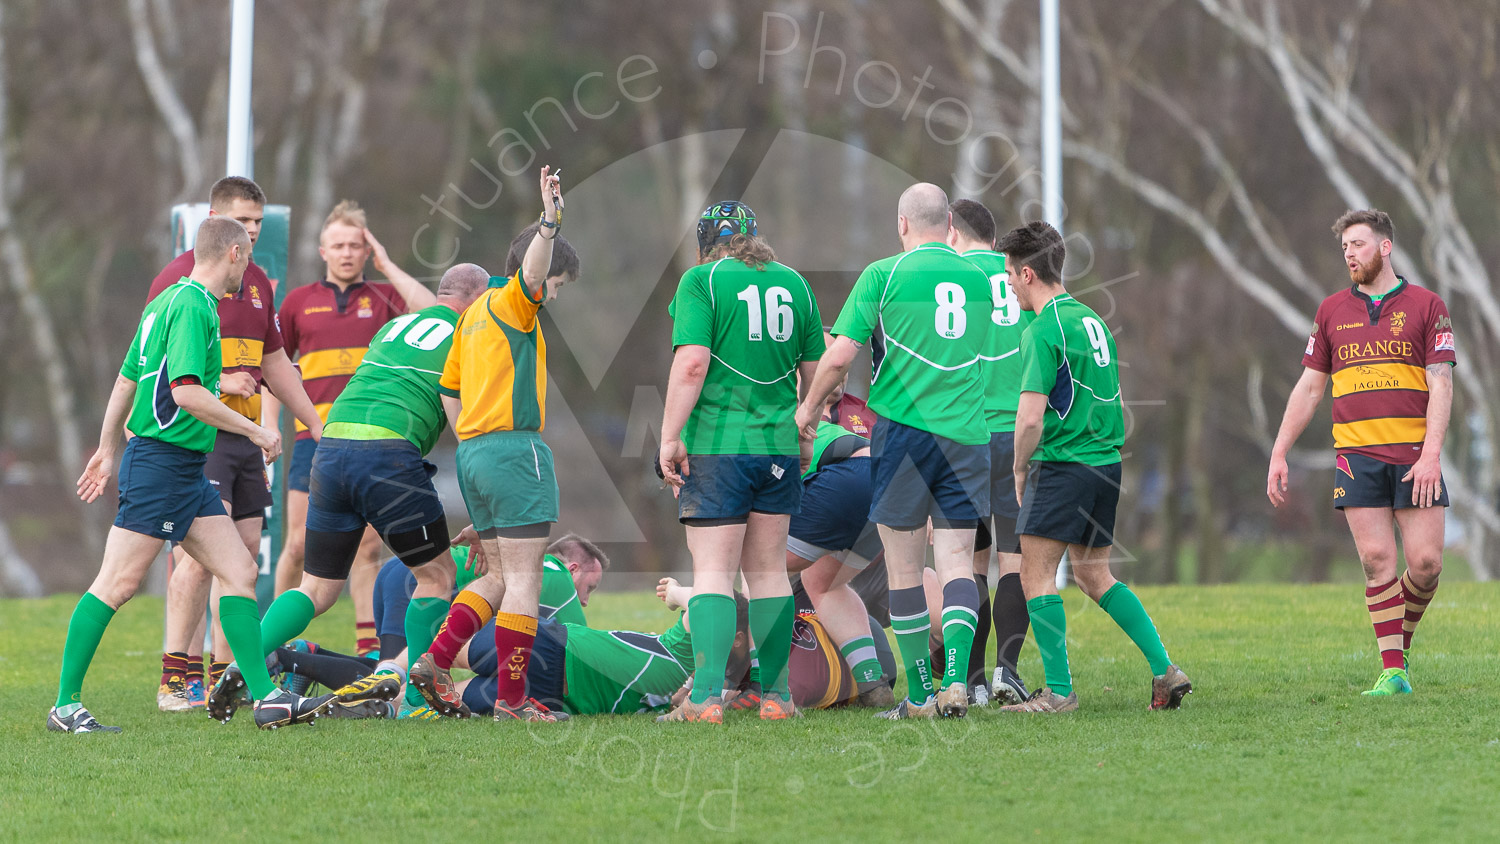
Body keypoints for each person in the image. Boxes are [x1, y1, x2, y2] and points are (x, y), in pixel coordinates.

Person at [53, 217, 330, 733]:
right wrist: (255, 432)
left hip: (184, 471)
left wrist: (107, 449)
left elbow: (125, 380)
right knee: (118, 583)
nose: (248, 266)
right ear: (231, 252)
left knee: (240, 571)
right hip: (160, 464)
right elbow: (184, 392)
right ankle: (65, 705)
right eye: (246, 254)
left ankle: (266, 698)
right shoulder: (192, 306)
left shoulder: (165, 302)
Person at [206, 263, 490, 721]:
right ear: (477, 301)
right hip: (388, 453)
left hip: (333, 447)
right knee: (435, 577)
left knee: (316, 588)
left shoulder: (396, 325)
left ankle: (247, 662)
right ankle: (417, 704)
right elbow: (463, 427)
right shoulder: (470, 336)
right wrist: (484, 512)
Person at [796, 183, 992, 720]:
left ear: (902, 224)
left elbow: (838, 358)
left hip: (903, 433)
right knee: (956, 565)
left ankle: (921, 696)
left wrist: (808, 410)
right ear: (949, 223)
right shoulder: (980, 279)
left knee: (905, 571)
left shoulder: (883, 274)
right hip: (968, 436)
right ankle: (957, 680)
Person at [995, 221, 1190, 714]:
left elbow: (1030, 417)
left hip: (1063, 464)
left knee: (1034, 576)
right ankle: (1165, 670)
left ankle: (1059, 693)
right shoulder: (1092, 321)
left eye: (1009, 276)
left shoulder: (1042, 329)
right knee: (1093, 575)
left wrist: (1020, 468)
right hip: (1105, 464)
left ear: (1027, 274)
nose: (1009, 286)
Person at [408, 165, 580, 722]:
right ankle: (513, 700)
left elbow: (448, 389)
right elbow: (532, 275)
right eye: (556, 285)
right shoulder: (509, 301)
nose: (551, 296)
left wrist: (471, 441)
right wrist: (548, 226)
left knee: (498, 575)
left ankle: (435, 660)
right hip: (513, 450)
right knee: (526, 578)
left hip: (475, 454)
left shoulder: (472, 317)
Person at [149, 176, 325, 712]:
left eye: (257, 223)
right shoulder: (181, 279)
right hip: (201, 439)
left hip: (249, 440)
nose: (252, 232)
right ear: (215, 219)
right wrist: (220, 380)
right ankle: (175, 680)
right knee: (199, 559)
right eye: (244, 222)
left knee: (243, 560)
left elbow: (274, 363)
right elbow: (153, 363)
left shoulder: (258, 282)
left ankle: (229, 674)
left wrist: (315, 424)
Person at [1267, 209, 1455, 697]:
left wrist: (1432, 452)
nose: (1349, 254)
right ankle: (1393, 671)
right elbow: (1310, 389)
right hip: (1357, 456)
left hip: (1415, 454)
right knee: (1376, 560)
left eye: (1358, 244)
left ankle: (1400, 644)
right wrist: (1280, 451)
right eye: (1345, 247)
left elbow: (1442, 384)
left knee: (1428, 564)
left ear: (1385, 247)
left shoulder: (1427, 305)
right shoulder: (1330, 311)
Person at [656, 200, 825, 724]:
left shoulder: (701, 281)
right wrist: (806, 428)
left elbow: (691, 364)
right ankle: (777, 697)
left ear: (708, 244)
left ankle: (706, 698)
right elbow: (817, 368)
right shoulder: (795, 284)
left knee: (712, 571)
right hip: (775, 447)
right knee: (770, 573)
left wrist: (669, 436)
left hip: (718, 444)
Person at [271, 200, 432, 656]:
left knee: (366, 547)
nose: (346, 253)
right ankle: (278, 641)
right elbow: (272, 365)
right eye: (338, 245)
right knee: (298, 545)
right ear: (323, 250)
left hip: (369, 441)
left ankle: (368, 648)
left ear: (367, 251)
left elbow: (436, 310)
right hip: (312, 440)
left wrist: (388, 264)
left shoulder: (383, 296)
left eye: (356, 246)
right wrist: (270, 426)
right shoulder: (299, 302)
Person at [949, 198, 1033, 706]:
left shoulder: (951, 283)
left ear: (953, 233)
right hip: (1017, 432)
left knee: (969, 562)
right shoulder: (1021, 280)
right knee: (1014, 559)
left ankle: (973, 680)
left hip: (965, 434)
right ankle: (1009, 671)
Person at [785, 381, 895, 709]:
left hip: (852, 477)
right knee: (824, 584)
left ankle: (760, 682)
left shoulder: (774, 418)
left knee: (761, 568)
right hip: (884, 485)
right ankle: (872, 681)